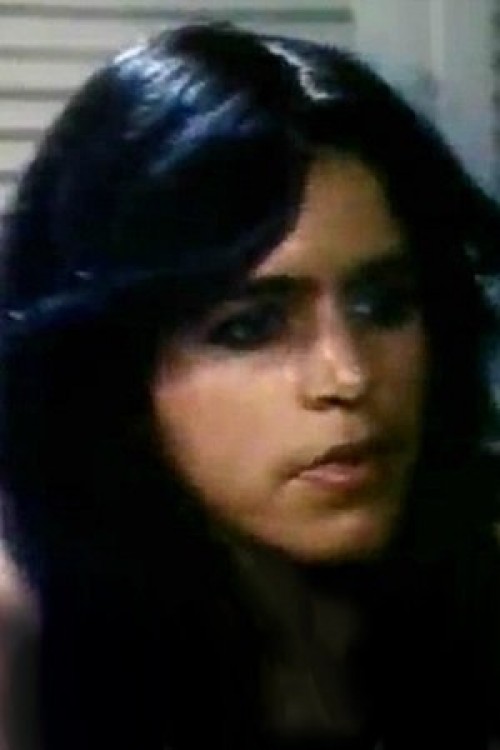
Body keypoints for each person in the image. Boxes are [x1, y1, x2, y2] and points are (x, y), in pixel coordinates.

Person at [0, 20, 500, 750]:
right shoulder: (26, 635)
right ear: (111, 363)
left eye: (384, 305)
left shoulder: (465, 561)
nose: (348, 376)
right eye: (249, 329)